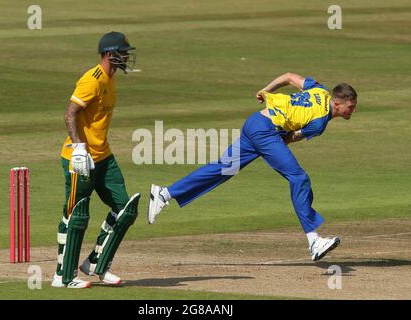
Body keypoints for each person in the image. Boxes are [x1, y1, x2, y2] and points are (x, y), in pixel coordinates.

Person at [147, 72, 358, 261]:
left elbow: (289, 76)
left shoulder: (319, 89)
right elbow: (290, 139)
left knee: (223, 168)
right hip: (265, 132)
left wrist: (266, 91)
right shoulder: (320, 122)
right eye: (351, 107)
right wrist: (271, 143)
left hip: (255, 122)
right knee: (299, 178)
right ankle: (313, 240)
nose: (353, 111)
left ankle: (164, 194)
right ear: (338, 103)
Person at [51, 31, 140, 289]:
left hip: (103, 156)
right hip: (79, 158)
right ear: (110, 54)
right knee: (76, 214)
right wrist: (79, 148)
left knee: (125, 207)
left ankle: (95, 262)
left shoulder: (111, 81)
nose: (126, 56)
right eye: (123, 52)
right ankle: (63, 276)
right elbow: (69, 115)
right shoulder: (92, 80)